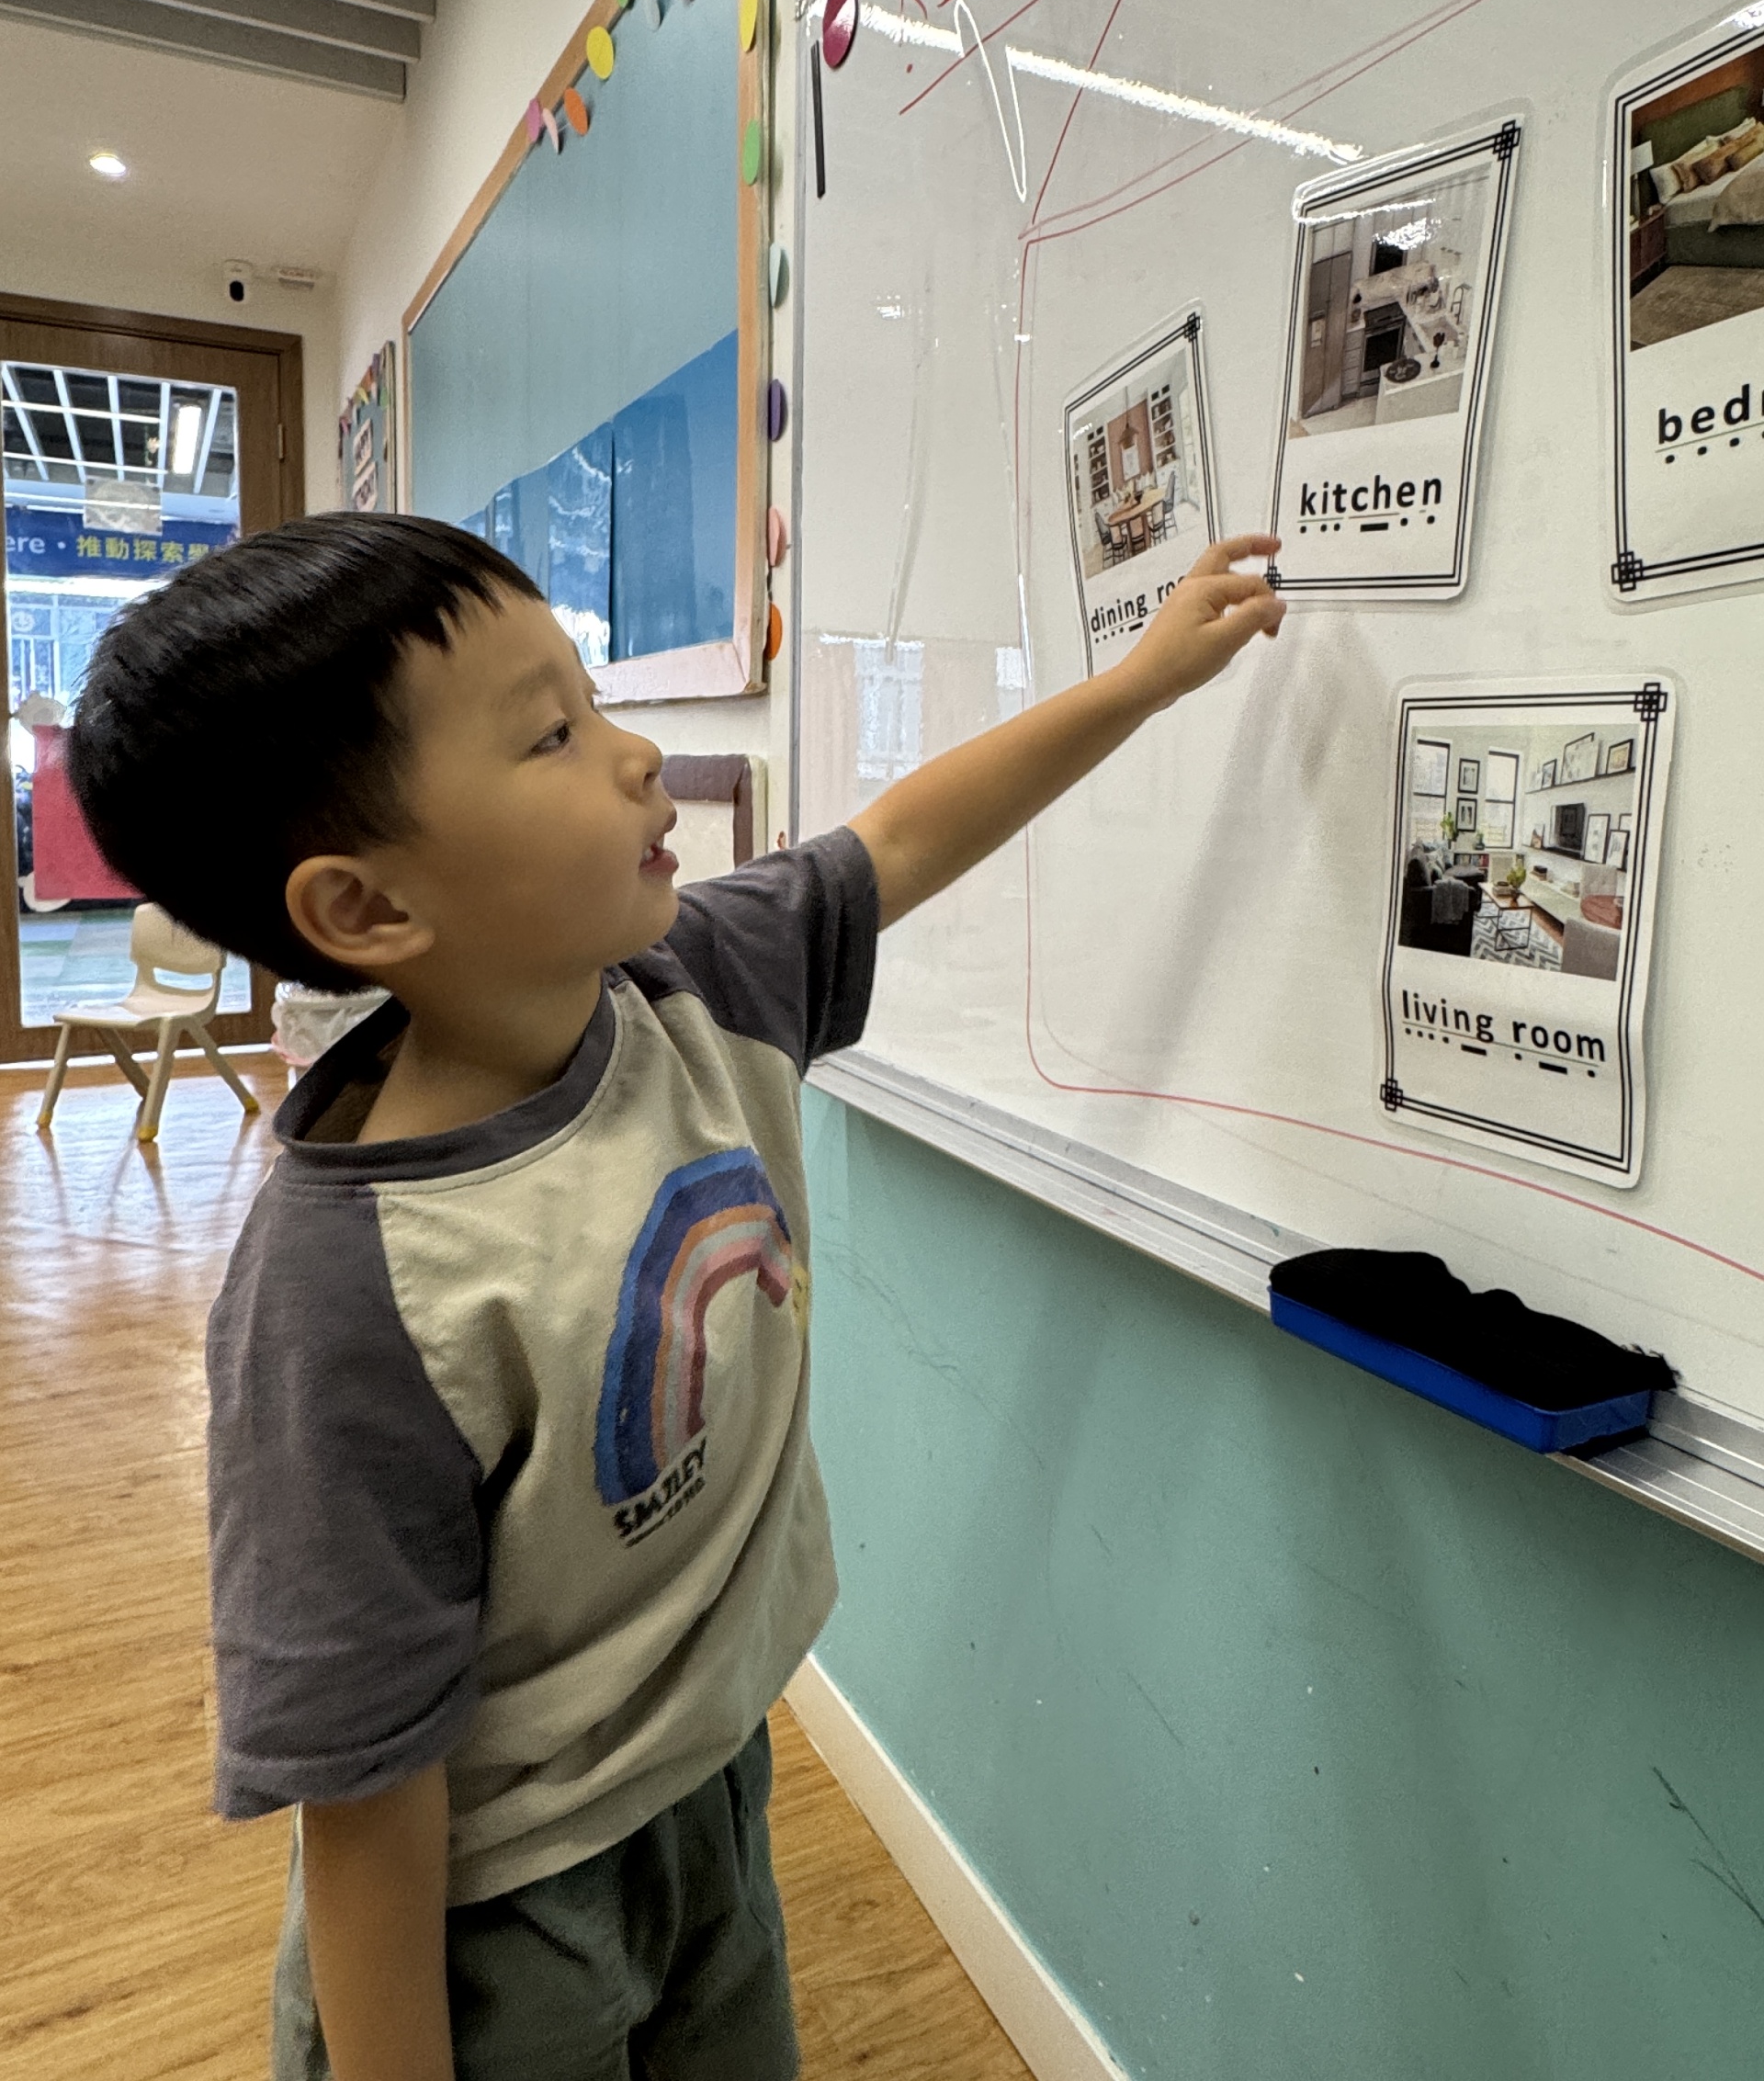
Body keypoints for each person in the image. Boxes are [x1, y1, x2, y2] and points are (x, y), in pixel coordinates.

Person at [68, 513, 1283, 2081]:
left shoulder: (697, 986)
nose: (638, 756)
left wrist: (1142, 680)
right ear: (367, 912)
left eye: (595, 702)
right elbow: (362, 1788)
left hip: (705, 1785)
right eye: (553, 735)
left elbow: (901, 837)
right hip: (495, 1908)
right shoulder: (350, 1296)